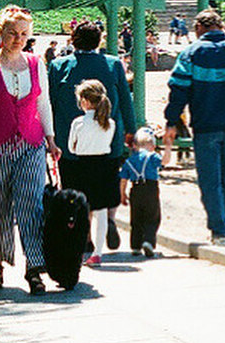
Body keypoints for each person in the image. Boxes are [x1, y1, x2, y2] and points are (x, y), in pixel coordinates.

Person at [0, 5, 61, 295]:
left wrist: (51, 139)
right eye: (12, 33)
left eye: (23, 34)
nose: (18, 39)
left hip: (30, 143)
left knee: (31, 204)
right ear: (0, 33)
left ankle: (34, 267)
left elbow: (44, 104)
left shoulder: (35, 63)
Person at [163, 9, 225, 247]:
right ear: (221, 26)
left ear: (199, 28)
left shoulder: (190, 54)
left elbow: (178, 91)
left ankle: (219, 232)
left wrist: (170, 122)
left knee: (210, 180)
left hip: (205, 125)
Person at [48, 21, 136, 254]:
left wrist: (48, 137)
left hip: (72, 144)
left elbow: (49, 103)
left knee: (77, 189)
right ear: (100, 41)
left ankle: (86, 236)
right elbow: (126, 100)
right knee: (107, 183)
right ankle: (109, 218)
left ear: (73, 40)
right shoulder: (114, 64)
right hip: (108, 141)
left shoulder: (58, 66)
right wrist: (131, 130)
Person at [67, 79, 117, 267]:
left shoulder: (78, 123)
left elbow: (71, 148)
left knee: (82, 209)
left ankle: (80, 247)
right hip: (103, 166)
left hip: (82, 166)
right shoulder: (110, 123)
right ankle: (98, 253)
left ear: (85, 101)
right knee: (101, 211)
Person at [119, 126, 169, 258]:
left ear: (134, 145)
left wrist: (122, 194)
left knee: (136, 218)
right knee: (152, 217)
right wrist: (168, 147)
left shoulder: (129, 161)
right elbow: (165, 162)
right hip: (151, 188)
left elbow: (123, 179)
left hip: (135, 189)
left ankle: (135, 246)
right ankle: (148, 241)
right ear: (152, 145)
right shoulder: (153, 157)